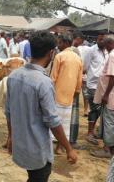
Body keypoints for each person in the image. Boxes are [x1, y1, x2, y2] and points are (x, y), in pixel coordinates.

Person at [6, 31, 77, 182]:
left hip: (21, 145)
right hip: (38, 150)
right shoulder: (43, 83)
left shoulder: (13, 76)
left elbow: (9, 112)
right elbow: (53, 121)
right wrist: (69, 149)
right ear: (51, 53)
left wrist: (11, 137)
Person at [50, 34, 83, 152]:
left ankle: (50, 147)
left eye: (59, 43)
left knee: (53, 120)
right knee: (65, 122)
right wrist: (77, 92)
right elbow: (79, 80)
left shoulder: (60, 56)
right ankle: (59, 147)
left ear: (65, 43)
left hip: (57, 94)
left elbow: (53, 77)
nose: (58, 45)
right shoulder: (78, 58)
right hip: (70, 96)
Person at [83, 32, 108, 151]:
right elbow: (85, 67)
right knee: (95, 109)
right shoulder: (91, 50)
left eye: (103, 39)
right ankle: (89, 133)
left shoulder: (107, 51)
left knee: (101, 110)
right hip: (93, 85)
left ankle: (95, 132)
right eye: (99, 39)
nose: (101, 41)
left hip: (104, 86)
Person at [91, 35, 114, 158]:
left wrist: (105, 95)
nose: (105, 48)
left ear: (109, 44)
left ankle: (107, 150)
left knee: (109, 122)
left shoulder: (112, 55)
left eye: (105, 45)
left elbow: (112, 77)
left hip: (110, 96)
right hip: (110, 95)